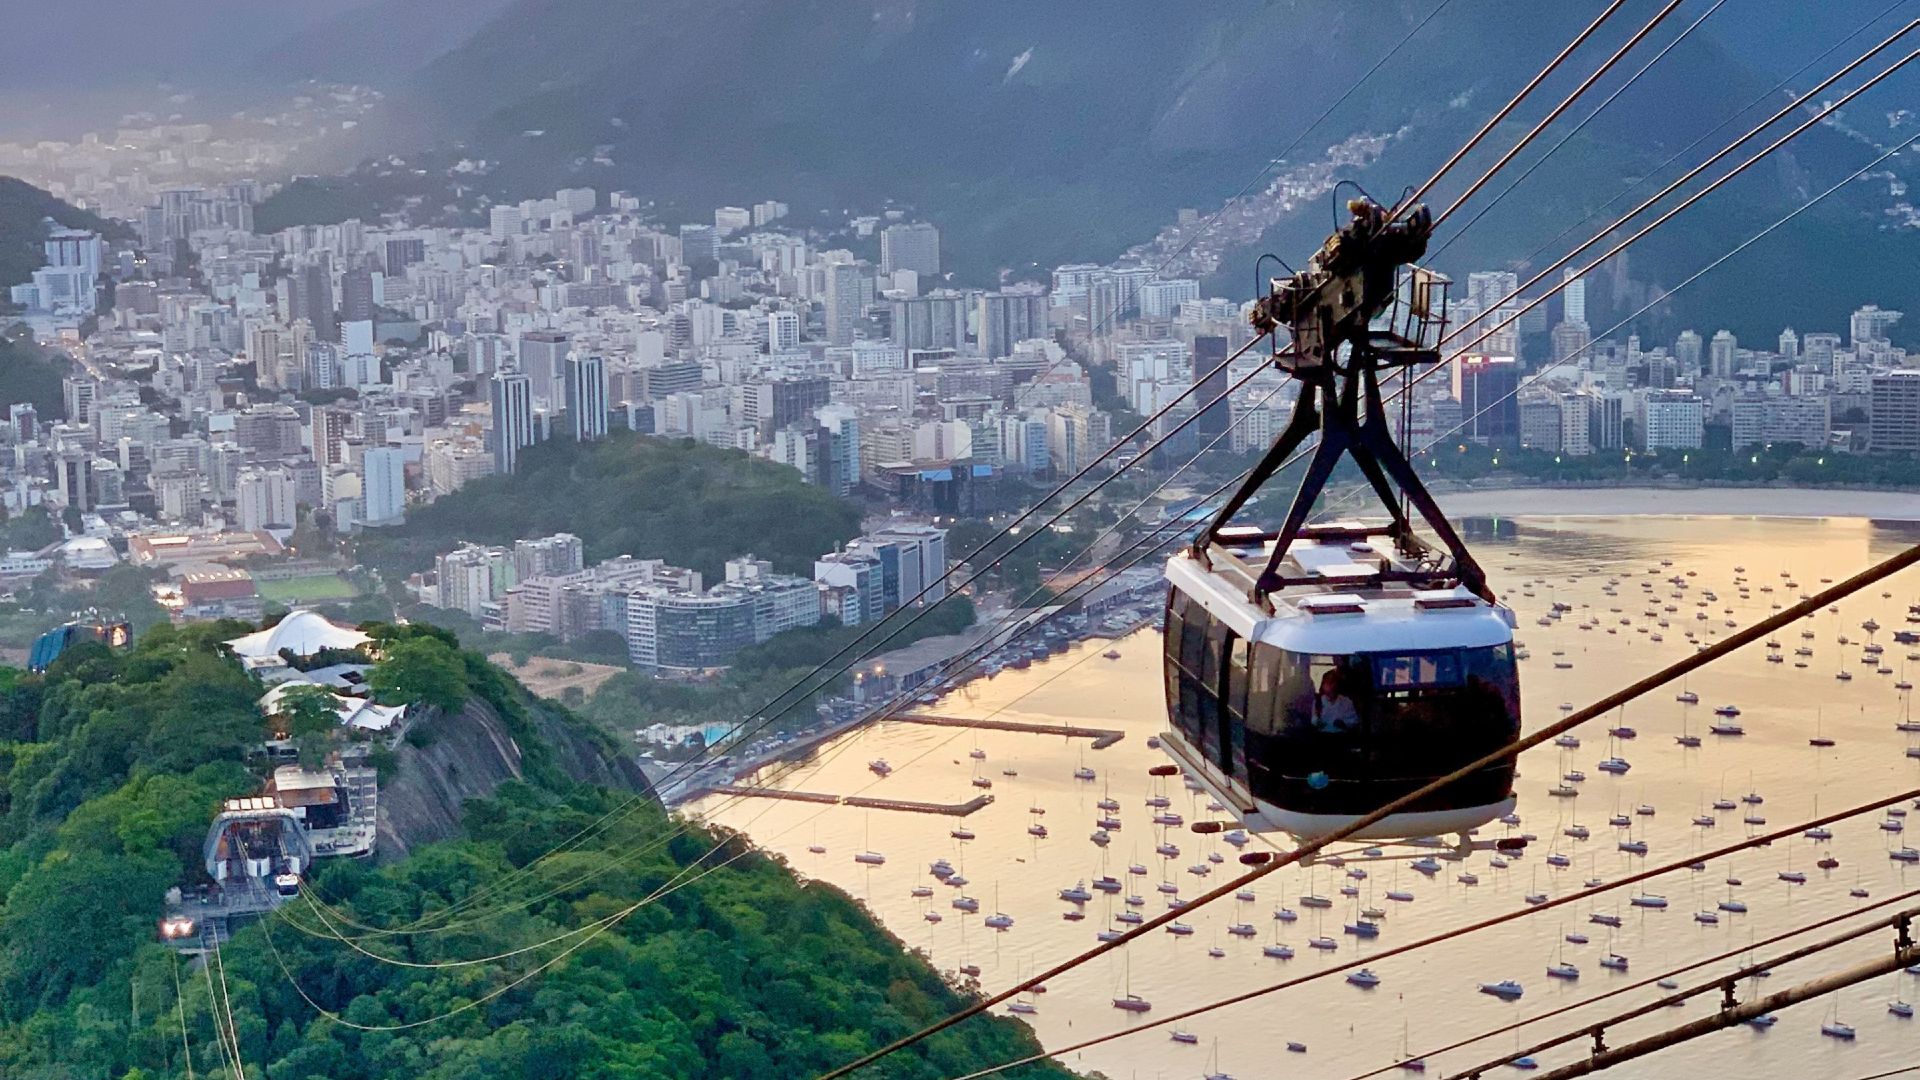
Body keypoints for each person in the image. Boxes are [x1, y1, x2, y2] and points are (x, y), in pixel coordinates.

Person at [1314, 668, 1360, 733]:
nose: (1332, 686)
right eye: (1329, 683)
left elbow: (1354, 721)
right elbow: (1313, 720)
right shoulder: (1318, 701)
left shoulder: (1346, 701)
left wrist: (1344, 723)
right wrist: (1317, 723)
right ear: (1323, 685)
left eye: (1333, 682)